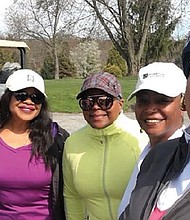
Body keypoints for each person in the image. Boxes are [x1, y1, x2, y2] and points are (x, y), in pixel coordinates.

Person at [118, 39, 190, 219]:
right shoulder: (156, 156)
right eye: (143, 100)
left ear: (181, 101)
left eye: (163, 100)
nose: (150, 109)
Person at [63, 72, 147, 220]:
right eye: (87, 102)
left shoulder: (142, 137)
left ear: (120, 103)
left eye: (104, 101)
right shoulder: (73, 143)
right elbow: (72, 196)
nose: (95, 107)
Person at [0, 69, 69, 220]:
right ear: (8, 97)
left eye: (36, 97)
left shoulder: (55, 138)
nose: (29, 102)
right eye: (21, 95)